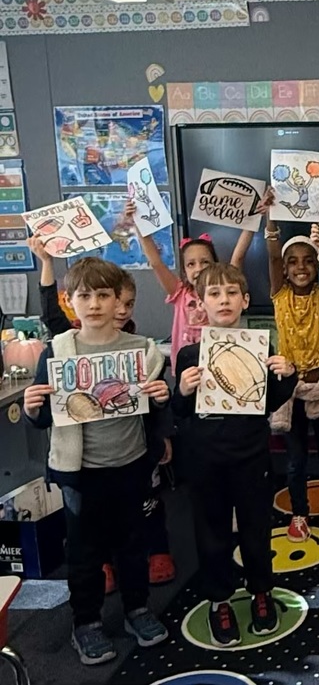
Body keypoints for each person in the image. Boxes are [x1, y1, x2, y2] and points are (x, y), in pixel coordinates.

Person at [22, 257, 170, 665]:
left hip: (131, 465)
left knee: (132, 545)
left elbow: (157, 412)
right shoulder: (58, 350)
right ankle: (85, 623)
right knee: (85, 552)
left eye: (103, 294)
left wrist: (161, 398)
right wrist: (34, 407)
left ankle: (137, 609)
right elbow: (41, 416)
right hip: (80, 473)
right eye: (84, 295)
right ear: (70, 301)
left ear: (117, 299)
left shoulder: (142, 351)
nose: (95, 304)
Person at [173, 263, 298, 646]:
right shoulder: (191, 354)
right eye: (214, 294)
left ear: (245, 300)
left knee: (256, 529)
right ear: (201, 304)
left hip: (251, 455)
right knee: (211, 532)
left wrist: (287, 375)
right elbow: (179, 412)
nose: (223, 300)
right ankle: (219, 599)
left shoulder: (262, 346)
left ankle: (262, 592)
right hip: (205, 458)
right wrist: (182, 389)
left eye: (231, 293)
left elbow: (268, 403)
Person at [264, 190, 319, 544]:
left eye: (308, 260)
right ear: (284, 268)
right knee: (296, 460)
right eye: (293, 261)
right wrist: (269, 217)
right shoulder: (279, 293)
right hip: (291, 391)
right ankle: (299, 513)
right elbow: (271, 255)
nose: (301, 267)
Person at [132, 200, 263, 374]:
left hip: (221, 364)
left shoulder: (223, 289)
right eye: (191, 264)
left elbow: (238, 257)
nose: (199, 268)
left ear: (215, 264)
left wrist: (256, 215)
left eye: (205, 262)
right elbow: (156, 262)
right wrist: (138, 223)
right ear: (184, 271)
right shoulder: (180, 292)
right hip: (187, 368)